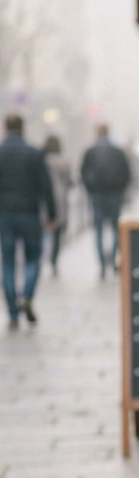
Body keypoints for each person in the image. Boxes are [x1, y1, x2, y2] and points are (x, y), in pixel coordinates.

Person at [0, 113, 56, 328]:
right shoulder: (34, 153)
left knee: (8, 262)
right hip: (29, 214)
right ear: (23, 128)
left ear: (5, 128)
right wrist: (51, 215)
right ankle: (27, 296)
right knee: (33, 258)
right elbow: (46, 186)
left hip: (4, 215)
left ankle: (13, 313)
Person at [80, 124, 130, 278]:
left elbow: (83, 173)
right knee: (116, 230)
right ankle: (112, 259)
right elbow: (127, 173)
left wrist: (91, 190)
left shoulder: (90, 152)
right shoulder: (117, 152)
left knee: (99, 231)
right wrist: (120, 190)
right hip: (114, 195)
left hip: (97, 196)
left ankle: (102, 264)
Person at [42, 135, 72, 276]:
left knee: (42, 231)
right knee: (57, 233)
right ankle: (53, 260)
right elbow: (70, 181)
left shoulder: (41, 160)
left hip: (42, 201)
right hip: (60, 200)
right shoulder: (63, 161)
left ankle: (42, 255)